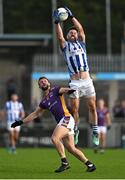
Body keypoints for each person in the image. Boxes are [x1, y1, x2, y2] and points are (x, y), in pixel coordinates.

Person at [11, 77, 96, 173]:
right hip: (63, 121)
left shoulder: (55, 90)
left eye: (45, 81)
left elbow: (64, 90)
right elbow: (35, 114)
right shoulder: (44, 101)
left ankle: (64, 163)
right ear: (39, 86)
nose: (43, 82)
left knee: (55, 138)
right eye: (41, 82)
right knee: (71, 149)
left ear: (49, 83)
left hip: (66, 118)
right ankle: (90, 164)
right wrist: (21, 122)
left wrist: (70, 90)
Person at [53, 7, 99, 145]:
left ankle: (95, 131)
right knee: (74, 109)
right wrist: (57, 23)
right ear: (67, 37)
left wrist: (72, 17)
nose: (73, 33)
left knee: (92, 107)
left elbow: (81, 29)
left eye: (74, 32)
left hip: (87, 80)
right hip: (74, 83)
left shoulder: (82, 43)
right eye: (70, 32)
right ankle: (76, 128)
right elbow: (59, 37)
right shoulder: (65, 46)